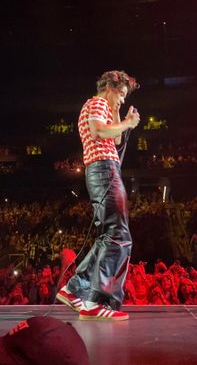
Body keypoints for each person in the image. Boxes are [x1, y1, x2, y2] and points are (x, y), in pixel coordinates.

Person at [56, 70, 140, 321]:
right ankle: (94, 302)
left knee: (110, 235)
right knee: (118, 236)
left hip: (103, 169)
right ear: (110, 87)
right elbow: (98, 131)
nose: (123, 99)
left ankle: (74, 290)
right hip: (104, 170)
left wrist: (120, 117)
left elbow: (113, 139)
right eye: (122, 94)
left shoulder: (105, 106)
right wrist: (127, 123)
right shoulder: (96, 102)